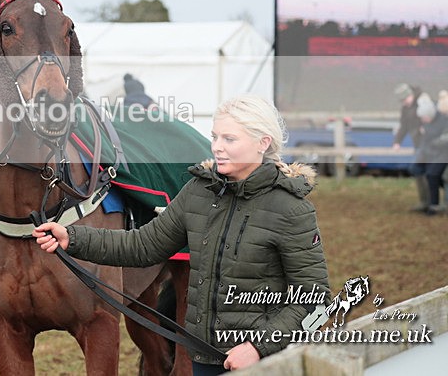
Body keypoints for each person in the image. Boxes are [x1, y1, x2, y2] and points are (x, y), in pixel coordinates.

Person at [33, 94, 330, 374]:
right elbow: (144, 245)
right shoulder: (199, 192)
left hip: (262, 362)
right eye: (215, 137)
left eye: (229, 139)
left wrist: (257, 347)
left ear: (262, 143)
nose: (217, 147)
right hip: (203, 356)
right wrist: (73, 238)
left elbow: (314, 299)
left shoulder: (291, 209)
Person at [408, 93, 448, 216]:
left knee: (436, 175)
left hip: (441, 154)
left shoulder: (442, 121)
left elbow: (442, 140)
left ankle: (436, 205)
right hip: (432, 153)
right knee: (419, 170)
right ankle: (427, 203)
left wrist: (434, 143)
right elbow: (425, 142)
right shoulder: (427, 123)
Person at [393, 83, 429, 212]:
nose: (404, 102)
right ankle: (425, 202)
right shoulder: (405, 108)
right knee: (419, 172)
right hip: (418, 144)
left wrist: (426, 128)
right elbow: (403, 126)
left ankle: (429, 203)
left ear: (410, 95)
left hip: (428, 144)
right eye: (402, 101)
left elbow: (433, 118)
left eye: (405, 99)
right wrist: (397, 141)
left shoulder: (423, 102)